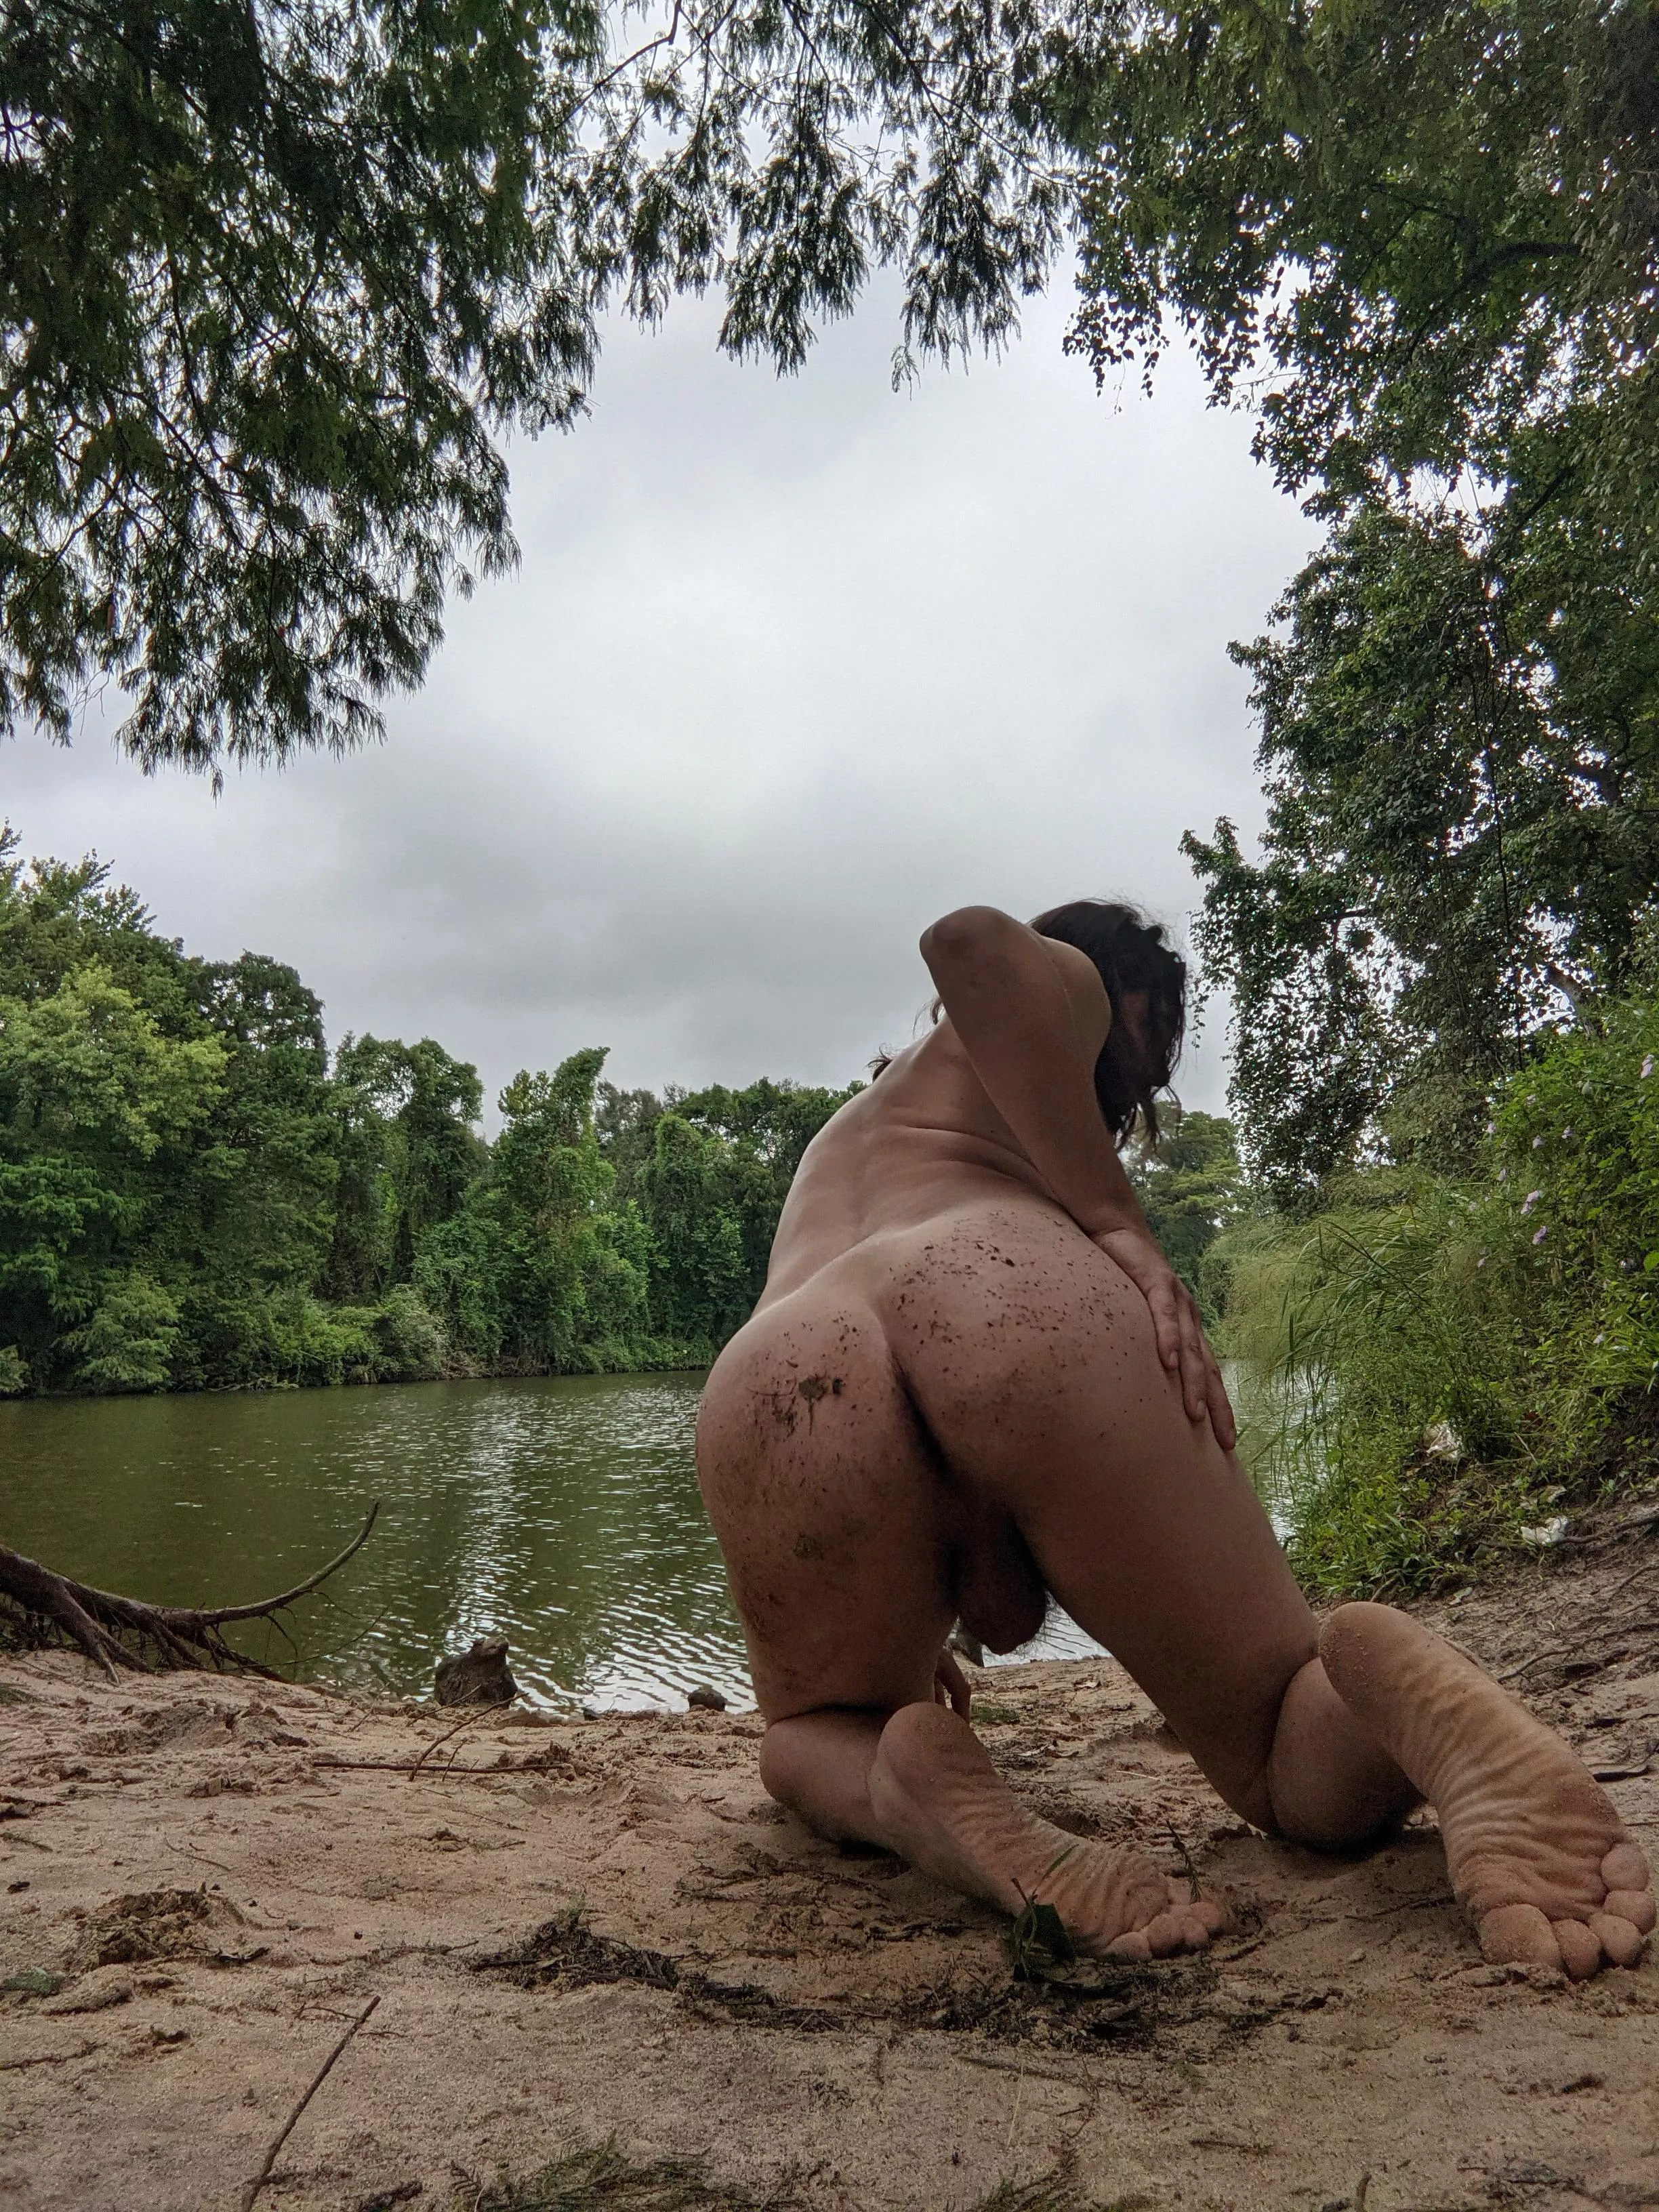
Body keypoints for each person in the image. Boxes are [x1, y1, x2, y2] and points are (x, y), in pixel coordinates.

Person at [695, 901, 1654, 1976]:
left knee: (812, 1730)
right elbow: (968, 940)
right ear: (1123, 993)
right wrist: (1115, 1226)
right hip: (999, 1284)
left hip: (777, 1370)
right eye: (1148, 1055)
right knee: (1285, 1757)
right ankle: (1371, 1680)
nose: (1139, 1088)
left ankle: (894, 1779)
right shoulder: (1070, 976)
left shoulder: (855, 1131)